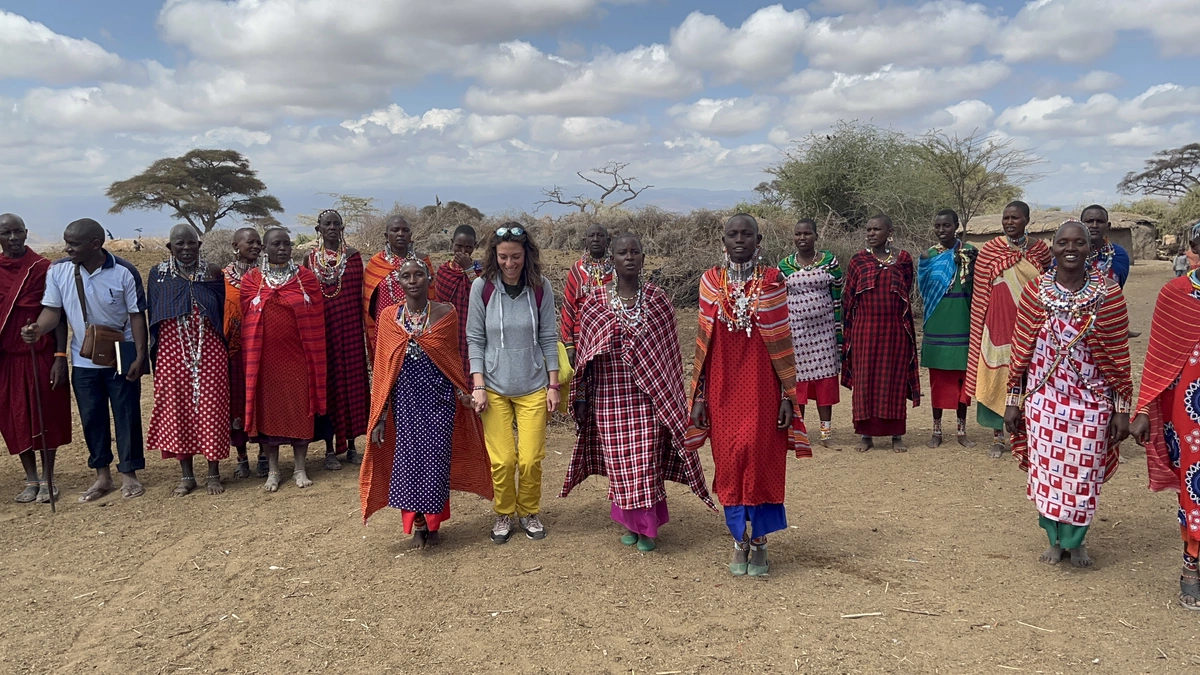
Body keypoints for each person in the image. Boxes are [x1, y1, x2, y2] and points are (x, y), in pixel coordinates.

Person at [562, 233, 715, 552]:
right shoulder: (595, 303)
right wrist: (581, 396)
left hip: (650, 395)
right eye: (622, 253)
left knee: (644, 458)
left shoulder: (658, 299)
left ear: (644, 258)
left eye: (635, 252)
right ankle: (629, 522)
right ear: (613, 260)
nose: (629, 257)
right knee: (620, 462)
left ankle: (647, 527)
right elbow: (587, 355)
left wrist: (671, 393)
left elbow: (670, 354)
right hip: (610, 395)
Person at [1004, 220, 1132, 568]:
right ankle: (1053, 539)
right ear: (1053, 247)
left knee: (1083, 473)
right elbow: (1021, 353)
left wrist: (1122, 409)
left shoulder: (1108, 293)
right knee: (1046, 472)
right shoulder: (1035, 292)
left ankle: (1077, 541)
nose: (1071, 249)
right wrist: (1013, 402)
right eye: (1063, 242)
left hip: (1092, 403)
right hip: (1044, 399)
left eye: (1079, 243)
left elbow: (1119, 356)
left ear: (1090, 248)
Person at [688, 214, 807, 577]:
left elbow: (784, 342)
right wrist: (699, 398)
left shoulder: (773, 282)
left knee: (761, 460)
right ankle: (738, 538)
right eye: (732, 234)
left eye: (747, 234)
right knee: (730, 462)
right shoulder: (710, 282)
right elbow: (703, 348)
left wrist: (789, 396)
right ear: (722, 241)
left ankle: (761, 542)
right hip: (722, 390)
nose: (739, 240)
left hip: (764, 390)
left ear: (759, 240)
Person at [360, 257, 493, 549]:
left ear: (429, 278)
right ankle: (417, 524)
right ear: (399, 282)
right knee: (408, 465)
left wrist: (463, 393)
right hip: (405, 403)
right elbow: (383, 368)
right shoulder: (388, 318)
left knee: (435, 464)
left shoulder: (446, 313)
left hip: (440, 402)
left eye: (419, 274)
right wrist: (380, 415)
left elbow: (452, 360)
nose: (412, 280)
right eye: (406, 275)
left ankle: (433, 523)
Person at [22, 218, 147, 501]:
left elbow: (137, 315)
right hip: (83, 357)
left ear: (95, 244)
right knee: (92, 417)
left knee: (126, 414)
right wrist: (38, 329)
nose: (67, 248)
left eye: (74, 244)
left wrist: (139, 355)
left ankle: (129, 473)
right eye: (66, 242)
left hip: (120, 351)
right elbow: (52, 311)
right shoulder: (59, 271)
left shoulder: (124, 271)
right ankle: (102, 475)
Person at [467, 223, 560, 544]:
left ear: (527, 256)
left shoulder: (540, 287)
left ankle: (529, 511)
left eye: (516, 257)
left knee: (531, 458)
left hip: (533, 385)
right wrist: (478, 384)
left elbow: (549, 336)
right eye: (503, 257)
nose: (510, 264)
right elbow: (474, 339)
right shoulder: (482, 288)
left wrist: (553, 384)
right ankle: (504, 513)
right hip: (493, 388)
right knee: (504, 460)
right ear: (494, 255)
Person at [1130, 222, 1200, 609]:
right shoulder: (1176, 294)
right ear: (1194, 246)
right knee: (1197, 484)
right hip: (1191, 411)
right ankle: (1191, 566)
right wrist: (1143, 409)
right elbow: (1157, 356)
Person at [240, 228, 327, 492]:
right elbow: (247, 320)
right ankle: (274, 471)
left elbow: (315, 320)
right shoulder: (252, 280)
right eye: (276, 244)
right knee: (270, 412)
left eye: (286, 244)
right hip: (265, 359)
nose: (282, 248)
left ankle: (300, 469)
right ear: (264, 248)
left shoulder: (306, 279)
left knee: (300, 409)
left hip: (299, 357)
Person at [146, 224, 229, 496]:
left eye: (190, 243)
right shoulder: (158, 275)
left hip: (210, 349)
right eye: (179, 244)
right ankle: (187, 475)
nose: (185, 249)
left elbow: (222, 312)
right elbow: (155, 317)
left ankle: (214, 473)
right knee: (177, 409)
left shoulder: (214, 272)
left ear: (199, 245)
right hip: (172, 351)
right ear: (170, 247)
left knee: (212, 409)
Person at [965, 201, 1052, 458]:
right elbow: (980, 292)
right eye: (1006, 218)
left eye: (1015, 218)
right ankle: (997, 436)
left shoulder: (1040, 251)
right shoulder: (991, 249)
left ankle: (1028, 434)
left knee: (1030, 375)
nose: (1010, 222)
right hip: (997, 324)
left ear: (1027, 220)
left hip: (1031, 323)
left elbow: (1046, 289)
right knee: (998, 374)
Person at [0, 214, 71, 504]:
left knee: (46, 413)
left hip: (39, 353)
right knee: (14, 417)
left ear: (27, 233)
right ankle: (30, 478)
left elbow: (60, 315)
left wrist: (60, 356)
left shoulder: (43, 268)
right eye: (7, 233)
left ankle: (48, 477)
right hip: (6, 357)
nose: (14, 238)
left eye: (18, 231)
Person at [842, 214, 920, 452]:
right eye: (868, 229)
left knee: (893, 379)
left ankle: (896, 434)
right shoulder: (858, 261)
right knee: (865, 380)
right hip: (864, 329)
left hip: (894, 330)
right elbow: (849, 299)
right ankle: (866, 434)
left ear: (889, 232)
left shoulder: (903, 259)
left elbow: (906, 288)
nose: (871, 233)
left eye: (877, 229)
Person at [305, 209, 369, 470]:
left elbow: (361, 296)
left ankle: (353, 446)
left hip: (351, 332)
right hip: (324, 334)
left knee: (352, 386)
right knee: (328, 388)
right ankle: (329, 450)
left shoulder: (353, 258)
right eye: (326, 224)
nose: (332, 228)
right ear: (318, 229)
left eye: (336, 224)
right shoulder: (309, 259)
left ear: (342, 228)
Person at [778, 218, 843, 446]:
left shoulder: (829, 261)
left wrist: (838, 326)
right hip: (796, 333)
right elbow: (778, 296)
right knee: (799, 384)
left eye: (807, 233)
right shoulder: (784, 265)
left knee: (824, 383)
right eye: (798, 234)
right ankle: (800, 433)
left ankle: (826, 434)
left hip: (824, 333)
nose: (802, 237)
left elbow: (838, 289)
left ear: (816, 236)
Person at [918, 209, 978, 448]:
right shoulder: (928, 256)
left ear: (957, 226)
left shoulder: (971, 253)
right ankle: (937, 430)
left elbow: (978, 286)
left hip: (963, 322)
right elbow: (924, 290)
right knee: (938, 380)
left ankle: (961, 431)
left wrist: (965, 263)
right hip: (937, 321)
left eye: (946, 226)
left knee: (962, 381)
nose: (942, 230)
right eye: (937, 226)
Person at [363, 215, 435, 355]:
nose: (400, 234)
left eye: (405, 230)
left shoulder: (422, 261)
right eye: (395, 230)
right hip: (386, 328)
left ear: (410, 235)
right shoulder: (376, 263)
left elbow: (432, 296)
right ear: (386, 235)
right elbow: (369, 303)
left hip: (418, 327)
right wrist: (386, 318)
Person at [223, 227, 263, 478]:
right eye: (250, 242)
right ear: (235, 245)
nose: (256, 246)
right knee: (237, 403)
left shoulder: (267, 275)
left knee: (260, 400)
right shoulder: (222, 277)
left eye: (259, 242)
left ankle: (262, 456)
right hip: (234, 351)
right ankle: (241, 458)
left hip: (261, 349)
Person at [434, 224, 482, 381]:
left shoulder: (480, 273)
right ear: (452, 243)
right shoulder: (444, 271)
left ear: (474, 247)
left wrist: (468, 269)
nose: (463, 251)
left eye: (468, 247)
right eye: (459, 246)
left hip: (471, 333)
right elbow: (439, 304)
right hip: (447, 334)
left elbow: (481, 296)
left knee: (470, 376)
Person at [561, 224, 613, 369]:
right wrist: (569, 344)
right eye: (591, 236)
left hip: (612, 339)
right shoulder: (577, 270)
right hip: (581, 340)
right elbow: (568, 308)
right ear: (585, 241)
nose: (595, 239)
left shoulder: (617, 269)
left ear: (608, 241)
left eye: (600, 236)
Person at [1078, 205, 1130, 287]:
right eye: (1089, 221)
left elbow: (1118, 287)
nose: (1094, 225)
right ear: (1080, 225)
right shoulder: (1068, 253)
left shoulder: (1119, 254)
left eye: (1100, 221)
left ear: (1108, 226)